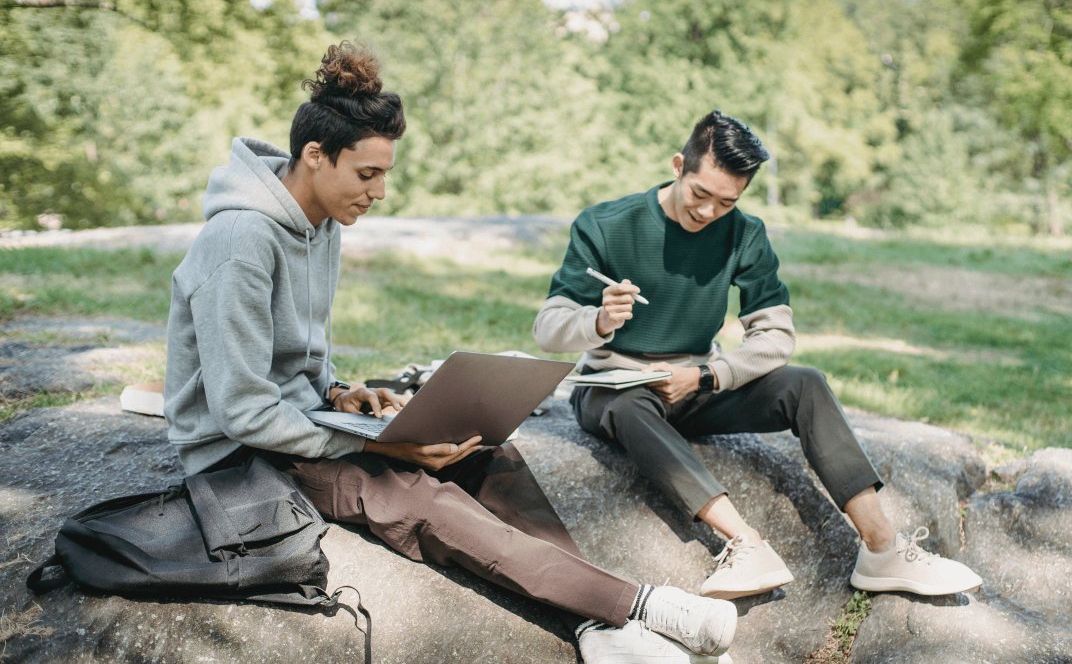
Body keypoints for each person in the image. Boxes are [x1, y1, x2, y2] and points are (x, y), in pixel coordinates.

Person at [164, 42, 739, 663]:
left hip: (303, 420)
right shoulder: (240, 242)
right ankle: (640, 607)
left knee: (480, 447)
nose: (380, 192)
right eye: (367, 174)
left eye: (385, 173)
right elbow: (242, 412)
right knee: (416, 495)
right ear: (314, 155)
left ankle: (596, 624)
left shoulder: (323, 222)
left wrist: (338, 394)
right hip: (242, 458)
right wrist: (380, 444)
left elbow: (298, 355)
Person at [533, 110, 983, 600]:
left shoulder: (744, 233)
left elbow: (775, 338)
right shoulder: (606, 225)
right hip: (617, 390)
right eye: (699, 194)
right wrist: (597, 321)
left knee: (805, 382)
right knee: (627, 405)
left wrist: (706, 376)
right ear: (679, 164)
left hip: (697, 384)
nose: (707, 213)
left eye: (726, 202)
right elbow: (547, 329)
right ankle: (745, 543)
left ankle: (882, 548)